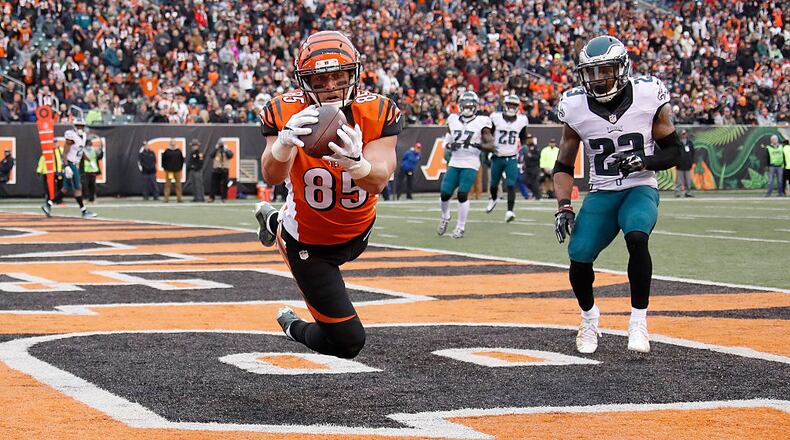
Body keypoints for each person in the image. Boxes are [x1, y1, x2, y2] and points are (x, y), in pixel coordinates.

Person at [254, 30, 401, 359]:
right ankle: (292, 326)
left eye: (338, 76)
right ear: (304, 81)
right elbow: (271, 174)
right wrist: (283, 143)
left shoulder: (377, 112)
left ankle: (272, 218)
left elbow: (377, 182)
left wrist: (357, 164)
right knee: (347, 342)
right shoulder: (285, 112)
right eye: (320, 80)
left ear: (353, 73)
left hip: (359, 231)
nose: (331, 86)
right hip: (309, 245)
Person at [552, 36, 681, 354]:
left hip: (640, 187)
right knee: (578, 255)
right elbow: (563, 164)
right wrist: (564, 205)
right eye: (591, 73)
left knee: (637, 236)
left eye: (605, 70)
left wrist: (645, 161)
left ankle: (639, 322)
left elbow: (676, 152)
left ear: (622, 68)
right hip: (602, 192)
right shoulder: (575, 107)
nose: (598, 79)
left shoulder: (648, 95)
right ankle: (589, 319)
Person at [438, 91, 494, 239]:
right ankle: (445, 216)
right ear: (460, 106)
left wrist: (479, 145)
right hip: (455, 160)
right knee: (444, 194)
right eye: (465, 105)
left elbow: (491, 145)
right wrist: (450, 146)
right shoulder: (452, 119)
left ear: (476, 107)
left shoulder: (482, 121)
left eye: (471, 106)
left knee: (462, 194)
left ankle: (460, 227)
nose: (468, 108)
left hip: (471, 162)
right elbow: (447, 139)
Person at [41, 119, 97, 218]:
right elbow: (65, 153)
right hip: (70, 164)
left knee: (65, 189)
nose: (80, 128)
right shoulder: (71, 136)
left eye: (81, 126)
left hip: (74, 164)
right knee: (78, 188)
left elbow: (81, 151)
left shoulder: (83, 136)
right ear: (74, 126)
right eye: (78, 126)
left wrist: (90, 161)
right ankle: (84, 211)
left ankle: (48, 205)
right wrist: (66, 166)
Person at [487, 95, 529, 222]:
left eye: (514, 105)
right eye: (509, 104)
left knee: (511, 184)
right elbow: (488, 134)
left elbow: (523, 136)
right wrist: (489, 146)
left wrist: (524, 147)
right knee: (494, 184)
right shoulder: (495, 117)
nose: (511, 107)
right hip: (497, 156)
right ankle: (493, 199)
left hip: (511, 157)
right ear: (505, 105)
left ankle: (510, 211)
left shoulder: (522, 120)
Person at [80, 138, 103, 203]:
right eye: (88, 143)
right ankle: (85, 198)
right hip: (85, 171)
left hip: (93, 171)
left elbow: (99, 157)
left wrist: (101, 150)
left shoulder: (94, 151)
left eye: (90, 143)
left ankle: (92, 199)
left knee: (92, 185)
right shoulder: (83, 151)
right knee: (85, 185)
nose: (89, 145)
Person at [674, 129, 695, 197]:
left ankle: (688, 192)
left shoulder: (689, 143)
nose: (684, 135)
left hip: (688, 164)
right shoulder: (678, 143)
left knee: (688, 180)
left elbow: (693, 153)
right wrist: (677, 162)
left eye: (684, 133)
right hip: (680, 164)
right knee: (679, 180)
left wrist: (691, 161)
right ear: (680, 135)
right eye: (682, 134)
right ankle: (677, 192)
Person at [522, 133, 542, 200]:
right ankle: (534, 193)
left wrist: (531, 156)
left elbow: (538, 157)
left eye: (530, 138)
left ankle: (538, 196)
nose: (529, 140)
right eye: (528, 139)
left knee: (534, 182)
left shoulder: (536, 147)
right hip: (527, 167)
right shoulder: (525, 147)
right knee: (525, 180)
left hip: (534, 167)